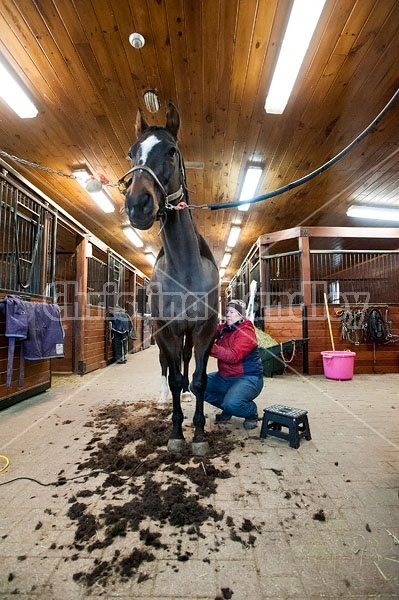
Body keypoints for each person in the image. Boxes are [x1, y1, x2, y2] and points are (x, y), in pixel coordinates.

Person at [204, 299, 264, 429]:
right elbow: (210, 332)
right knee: (197, 385)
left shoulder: (246, 332)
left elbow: (233, 356)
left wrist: (210, 347)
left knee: (232, 403)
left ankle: (251, 412)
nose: (228, 315)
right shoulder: (225, 328)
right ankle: (229, 408)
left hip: (248, 378)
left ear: (240, 315)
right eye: (227, 312)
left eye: (232, 312)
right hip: (224, 377)